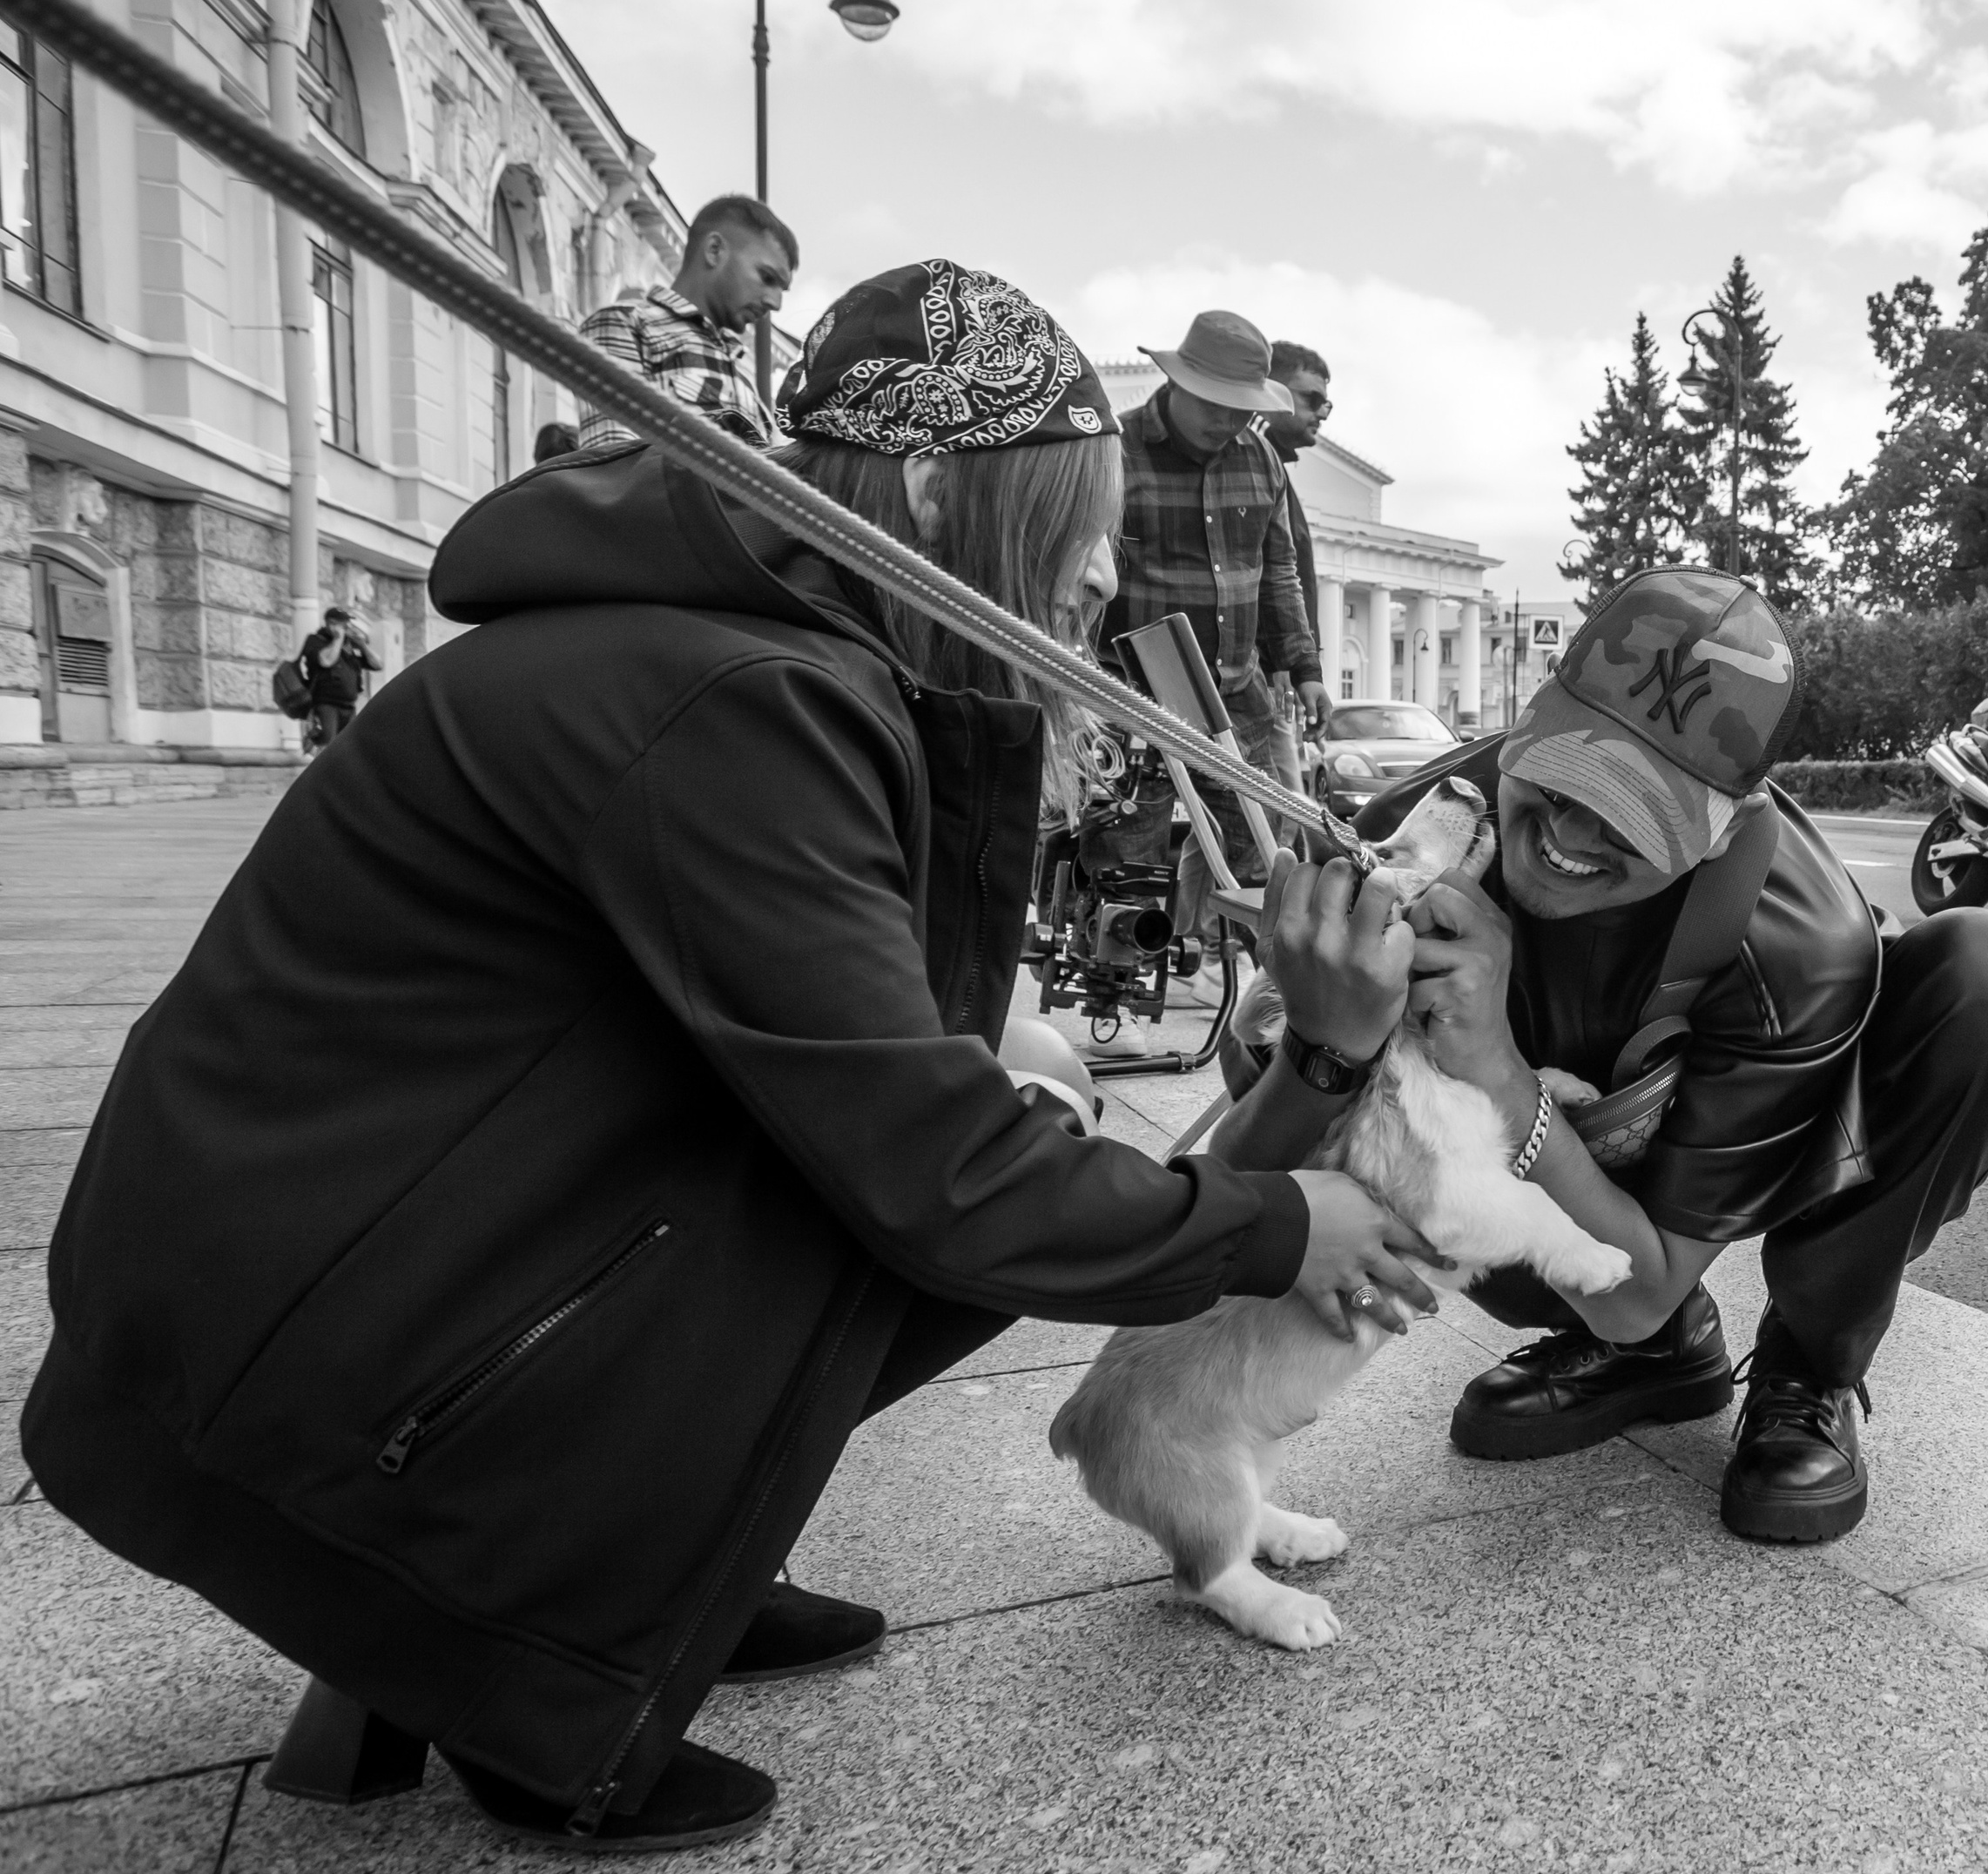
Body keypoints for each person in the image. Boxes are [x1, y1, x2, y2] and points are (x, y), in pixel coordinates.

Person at [23, 260, 1436, 1856]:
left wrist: (1303, 1072)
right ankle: (502, 1651)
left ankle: (649, 1556)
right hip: (302, 1347)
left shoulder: (776, 656)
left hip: (318, 1269)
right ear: (925, 486)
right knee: (977, 1180)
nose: (1101, 566)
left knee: (1021, 1103)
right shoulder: (736, 699)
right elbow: (943, 1174)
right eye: (1069, 513)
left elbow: (929, 1065)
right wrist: (1284, 1218)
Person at [1214, 567, 1988, 1545]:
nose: (1569, 833)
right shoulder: (1418, 831)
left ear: (1725, 828)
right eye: (1564, 772)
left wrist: (1493, 1067)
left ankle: (1809, 1365)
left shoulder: (1799, 948)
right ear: (1526, 717)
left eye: (1631, 809)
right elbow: (1223, 1200)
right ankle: (1662, 1359)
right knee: (1327, 1021)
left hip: (1776, 1130)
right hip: (1575, 1165)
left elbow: (1637, 1284)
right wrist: (1324, 1047)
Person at [1095, 310, 1330, 1045]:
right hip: (1135, 684)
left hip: (1235, 684)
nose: (1230, 420)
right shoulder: (1115, 450)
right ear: (1175, 382)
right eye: (1215, 404)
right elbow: (1085, 566)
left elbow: (1278, 570)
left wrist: (1307, 666)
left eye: (1242, 408)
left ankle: (1255, 987)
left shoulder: (1257, 461)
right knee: (1128, 845)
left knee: (1270, 840)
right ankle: (1117, 993)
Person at [576, 194, 796, 451]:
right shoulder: (626, 326)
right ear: (715, 250)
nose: (775, 303)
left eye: (782, 290)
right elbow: (614, 469)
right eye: (767, 277)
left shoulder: (747, 387)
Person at [1260, 340, 1334, 800]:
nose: (1324, 411)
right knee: (1279, 814)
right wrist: (1283, 664)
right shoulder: (1251, 463)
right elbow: (1267, 575)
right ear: (1268, 390)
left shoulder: (1273, 468)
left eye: (1327, 401)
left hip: (1274, 676)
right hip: (1263, 679)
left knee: (1259, 820)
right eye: (1310, 398)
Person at [297, 603, 382, 749]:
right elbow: (326, 661)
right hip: (326, 705)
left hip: (348, 707)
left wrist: (362, 646)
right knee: (326, 746)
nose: (348, 627)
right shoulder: (316, 640)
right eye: (344, 625)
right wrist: (337, 639)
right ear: (331, 624)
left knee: (348, 747)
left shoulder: (349, 646)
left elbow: (378, 665)